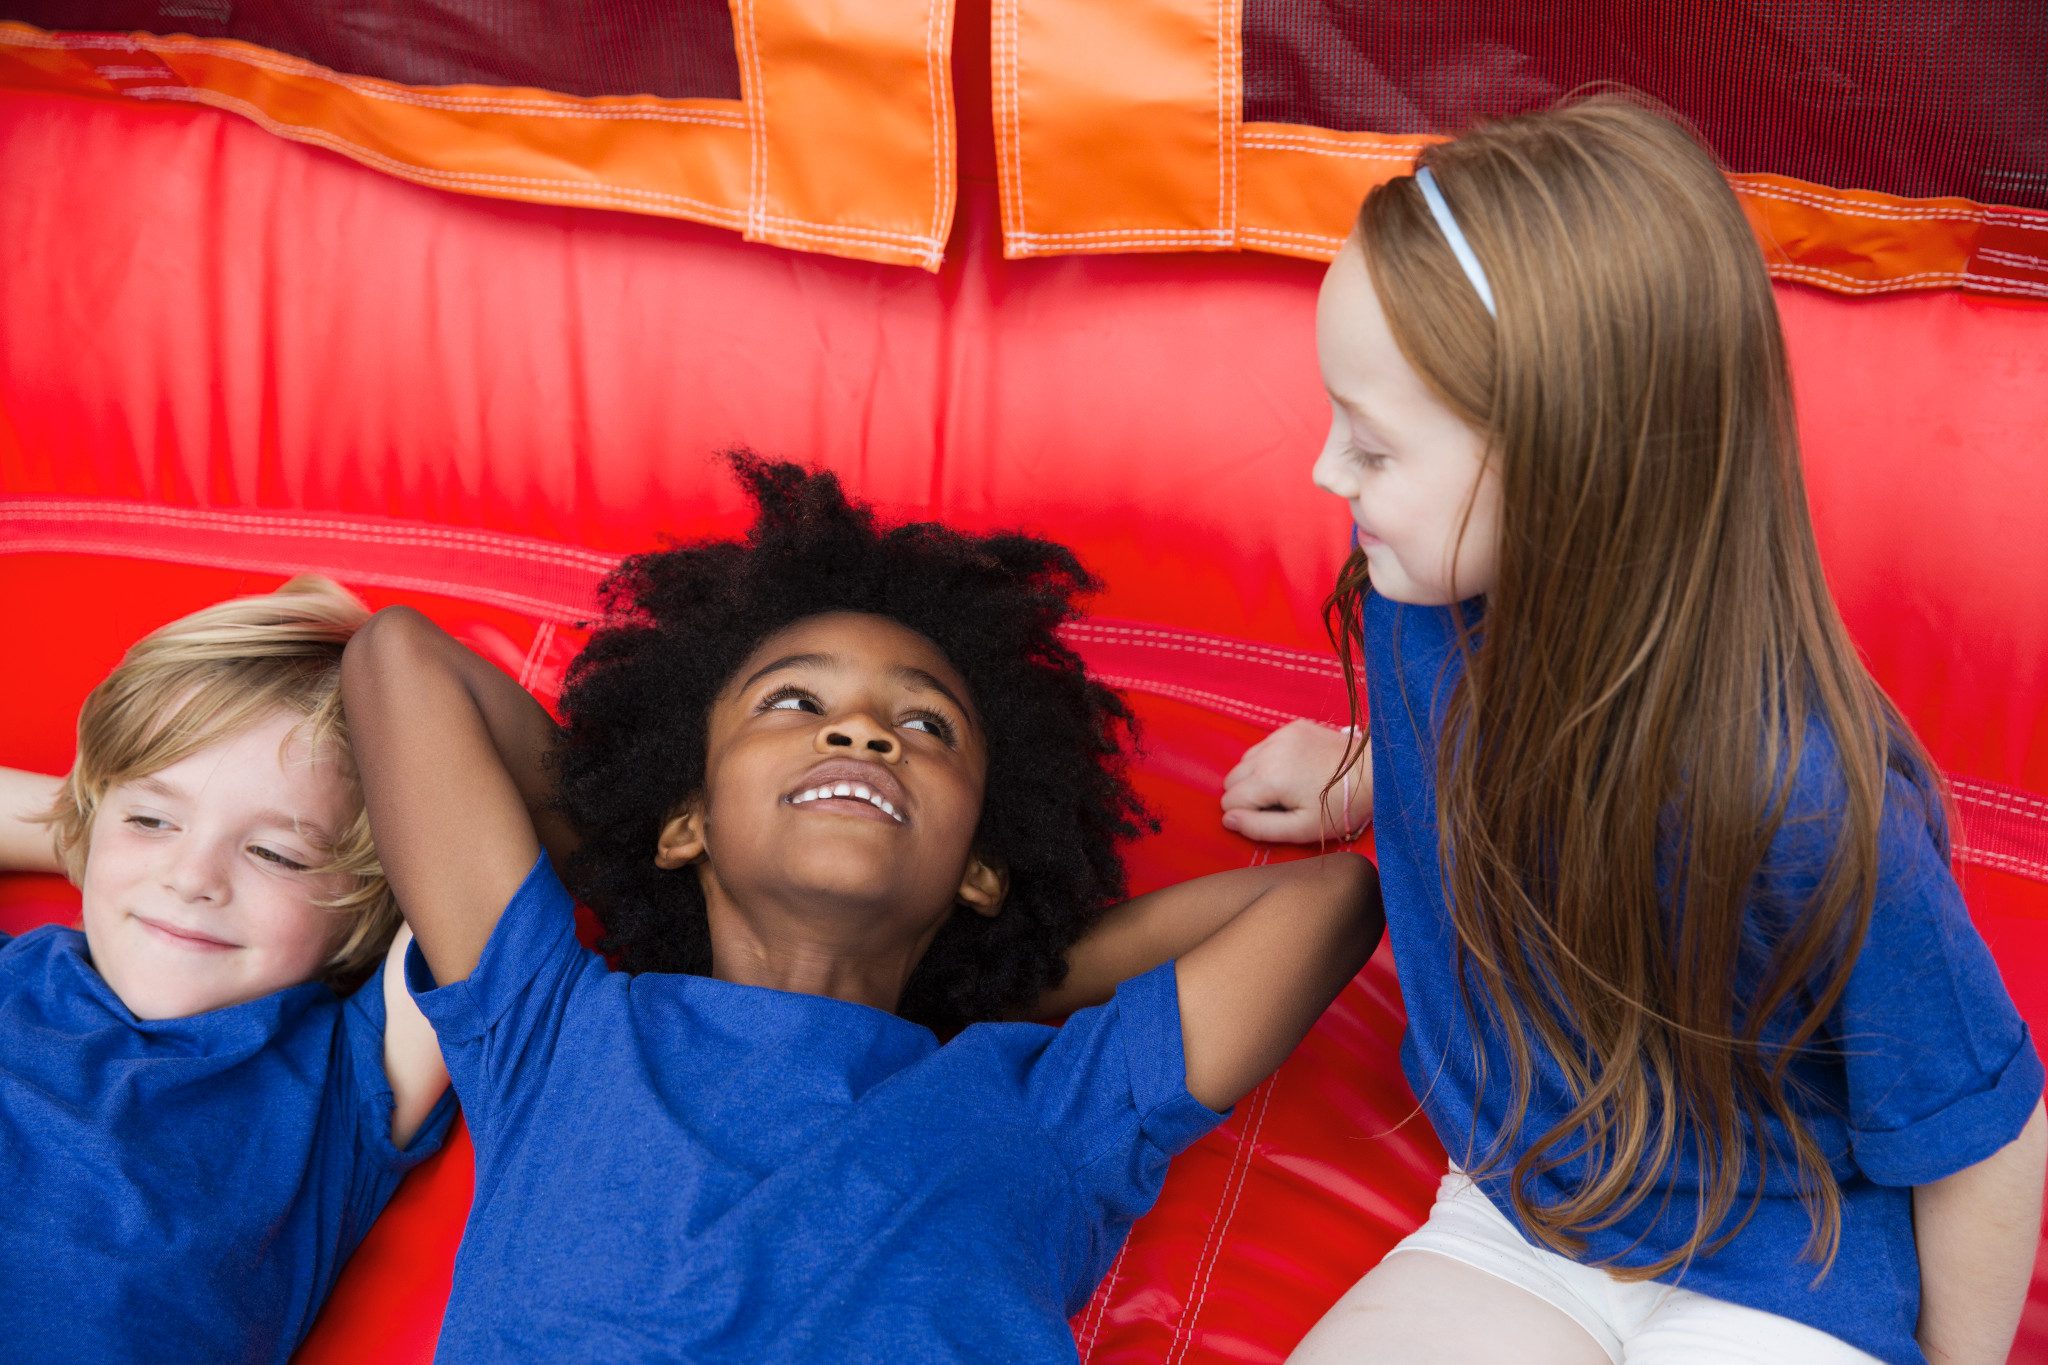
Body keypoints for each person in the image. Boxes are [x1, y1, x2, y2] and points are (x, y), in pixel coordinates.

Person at [1218, 100, 2047, 1365]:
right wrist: (1362, 773)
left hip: (1785, 1274)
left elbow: (1982, 1128)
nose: (1328, 473)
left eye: (1374, 445)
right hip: (1515, 1220)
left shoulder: (1797, 800)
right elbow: (1479, 735)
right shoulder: (1418, 584)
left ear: (1564, 474)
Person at [340, 453, 1383, 1362]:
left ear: (981, 867)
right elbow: (401, 659)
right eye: (793, 704)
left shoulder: (1044, 1108)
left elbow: (1327, 900)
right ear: (687, 819)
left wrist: (1006, 978)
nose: (863, 735)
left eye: (927, 727)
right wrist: (643, 851)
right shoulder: (558, 1028)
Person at [0, 576, 454, 1364]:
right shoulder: (18, 972)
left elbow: (490, 850)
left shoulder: (350, 1077)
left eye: (275, 852)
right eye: (150, 818)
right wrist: (84, 833)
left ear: (368, 903)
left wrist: (382, 665)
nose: (191, 877)